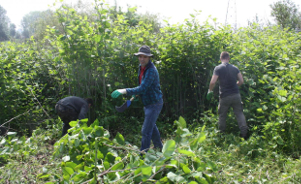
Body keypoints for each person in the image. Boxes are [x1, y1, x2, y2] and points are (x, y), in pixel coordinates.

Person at [111, 45, 164, 153]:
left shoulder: (151, 71)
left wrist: (124, 91)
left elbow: (143, 87)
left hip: (154, 103)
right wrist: (136, 94)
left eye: (145, 57)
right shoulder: (141, 68)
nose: (142, 59)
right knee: (151, 126)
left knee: (146, 131)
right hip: (147, 102)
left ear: (149, 58)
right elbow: (142, 86)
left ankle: (143, 154)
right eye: (140, 56)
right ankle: (159, 147)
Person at [207, 51, 248, 139]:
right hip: (236, 94)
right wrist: (235, 85)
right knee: (239, 113)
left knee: (222, 115)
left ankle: (221, 135)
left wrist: (210, 91)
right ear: (228, 58)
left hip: (224, 96)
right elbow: (241, 81)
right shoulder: (235, 68)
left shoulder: (218, 68)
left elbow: (213, 82)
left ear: (220, 58)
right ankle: (244, 134)